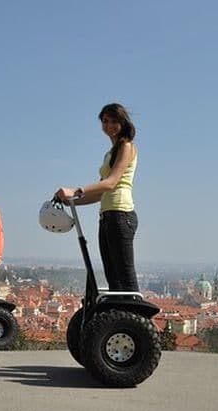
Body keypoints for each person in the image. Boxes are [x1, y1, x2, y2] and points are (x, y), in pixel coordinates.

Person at [56, 102, 140, 291]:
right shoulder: (110, 153)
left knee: (126, 279)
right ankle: (119, 318)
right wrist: (71, 202)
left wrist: (76, 190)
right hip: (107, 215)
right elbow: (100, 194)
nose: (108, 125)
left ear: (122, 122)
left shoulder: (126, 146)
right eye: (105, 121)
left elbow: (111, 182)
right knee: (113, 278)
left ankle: (135, 319)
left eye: (113, 121)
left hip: (121, 214)